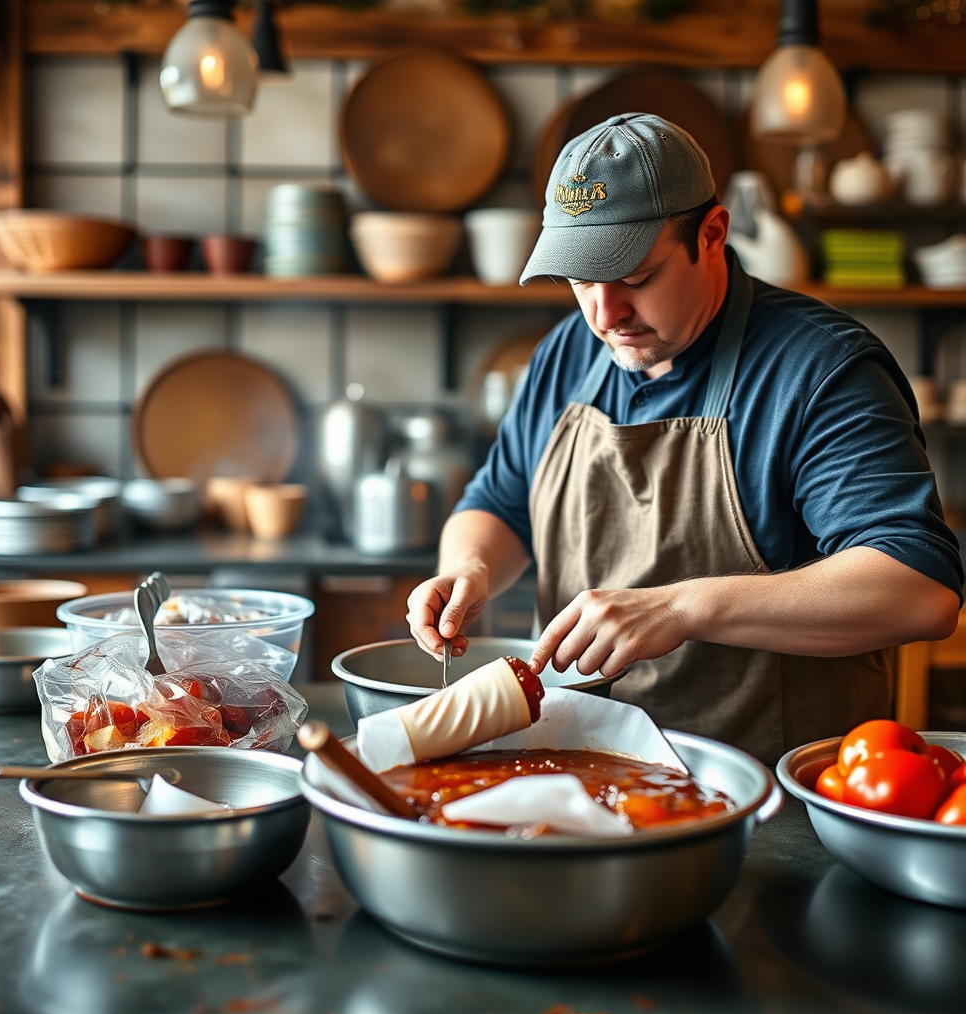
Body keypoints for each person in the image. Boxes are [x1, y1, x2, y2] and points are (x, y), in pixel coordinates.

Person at [406, 113, 963, 765]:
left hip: (766, 793)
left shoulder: (819, 368)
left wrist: (684, 608)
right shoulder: (565, 354)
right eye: (580, 280)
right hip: (580, 771)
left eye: (635, 277)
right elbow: (499, 504)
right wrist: (469, 567)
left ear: (712, 235)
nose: (605, 315)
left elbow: (919, 591)